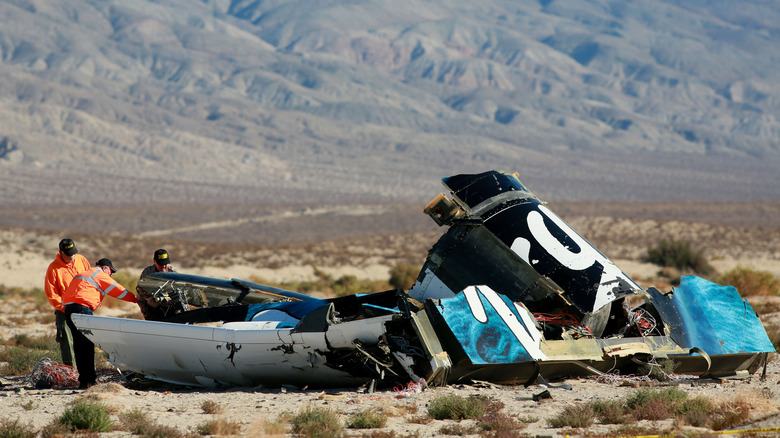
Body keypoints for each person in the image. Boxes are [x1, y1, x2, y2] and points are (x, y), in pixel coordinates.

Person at [63, 258, 138, 389]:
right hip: (82, 309)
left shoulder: (83, 273)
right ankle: (90, 381)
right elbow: (118, 290)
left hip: (68, 310)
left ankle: (84, 381)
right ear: (105, 268)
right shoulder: (99, 274)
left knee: (79, 345)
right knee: (87, 344)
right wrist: (136, 300)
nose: (110, 275)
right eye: (111, 272)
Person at [44, 238, 91, 367]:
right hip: (64, 310)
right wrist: (65, 307)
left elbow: (91, 280)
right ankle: (72, 372)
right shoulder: (53, 268)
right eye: (69, 254)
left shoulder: (81, 260)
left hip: (83, 308)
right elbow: (51, 294)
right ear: (61, 252)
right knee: (67, 342)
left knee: (86, 339)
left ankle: (88, 371)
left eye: (73, 253)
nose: (72, 256)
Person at [137, 249, 177, 320]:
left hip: (171, 306)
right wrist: (142, 306)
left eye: (165, 264)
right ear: (154, 261)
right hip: (153, 307)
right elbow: (140, 290)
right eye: (161, 264)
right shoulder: (147, 272)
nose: (164, 266)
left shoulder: (174, 272)